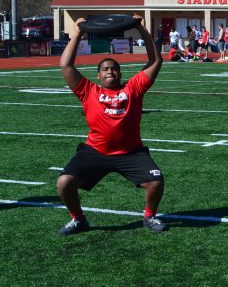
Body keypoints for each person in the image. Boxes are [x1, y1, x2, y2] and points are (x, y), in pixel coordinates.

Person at [56, 15, 168, 235]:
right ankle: (78, 219)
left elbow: (156, 61)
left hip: (130, 153)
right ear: (98, 75)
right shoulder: (88, 90)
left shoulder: (133, 89)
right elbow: (65, 64)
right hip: (95, 151)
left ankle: (149, 217)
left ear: (120, 73)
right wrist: (78, 32)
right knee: (63, 183)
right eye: (105, 69)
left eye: (114, 68)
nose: (110, 71)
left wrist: (141, 28)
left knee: (156, 181)